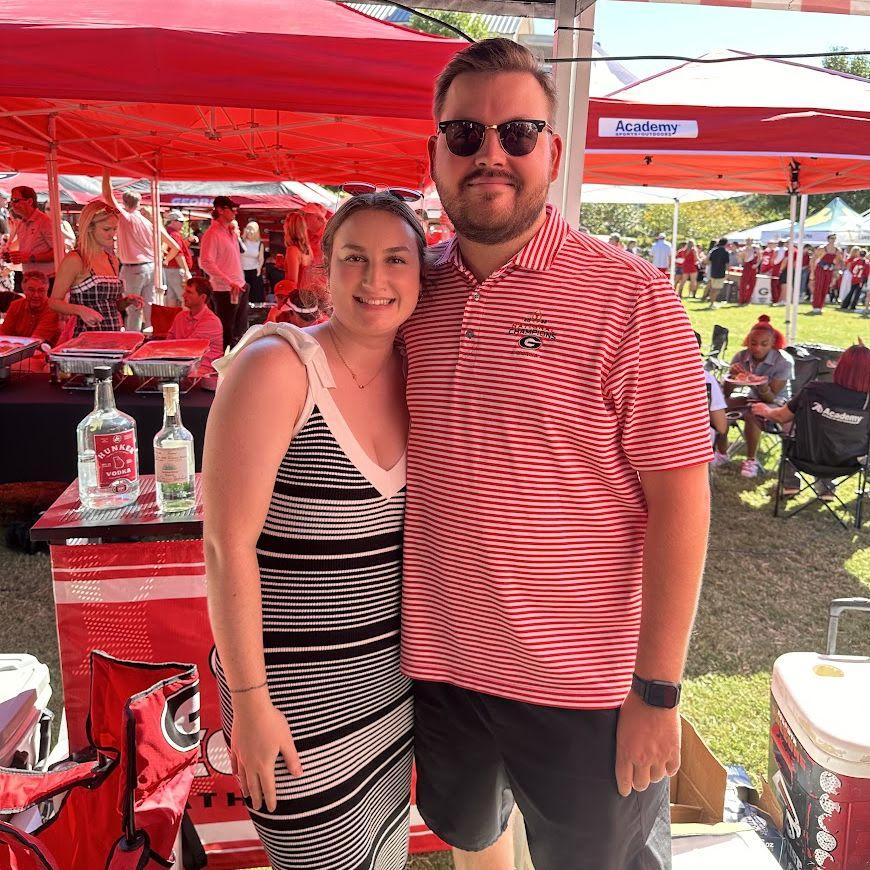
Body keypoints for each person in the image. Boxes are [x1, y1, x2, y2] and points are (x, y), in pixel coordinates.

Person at [402, 38, 712, 870]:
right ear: (434, 153)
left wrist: (657, 691)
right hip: (443, 665)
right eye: (464, 134)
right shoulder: (409, 293)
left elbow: (681, 500)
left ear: (553, 150)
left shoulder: (632, 297)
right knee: (473, 835)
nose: (490, 154)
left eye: (517, 133)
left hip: (585, 688)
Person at [203, 192, 424, 870]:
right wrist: (251, 703)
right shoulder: (279, 367)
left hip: (390, 697)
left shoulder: (419, 371)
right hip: (292, 707)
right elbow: (226, 546)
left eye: (396, 260)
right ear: (325, 270)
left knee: (383, 855)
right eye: (355, 258)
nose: (375, 278)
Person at [753, 342, 870, 501]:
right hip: (849, 464)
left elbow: (781, 417)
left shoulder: (814, 390)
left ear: (840, 366)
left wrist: (765, 410)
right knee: (834, 439)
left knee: (791, 432)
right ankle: (826, 488)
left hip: (805, 458)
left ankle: (790, 483)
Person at [712, 315, 794, 478]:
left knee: (753, 413)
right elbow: (726, 393)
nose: (757, 348)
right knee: (719, 408)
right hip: (750, 397)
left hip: (777, 402)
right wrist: (732, 378)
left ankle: (751, 460)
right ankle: (721, 453)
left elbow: (771, 398)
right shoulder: (741, 356)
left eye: (764, 344)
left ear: (773, 343)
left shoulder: (784, 361)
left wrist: (761, 385)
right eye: (753, 343)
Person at [49, 200, 142, 337]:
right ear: (89, 228)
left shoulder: (112, 259)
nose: (112, 234)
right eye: (106, 229)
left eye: (115, 229)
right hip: (86, 337)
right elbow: (53, 302)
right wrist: (80, 310)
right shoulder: (75, 259)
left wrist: (126, 301)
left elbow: (110, 305)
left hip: (112, 335)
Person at [199, 195, 248, 350]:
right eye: (232, 209)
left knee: (239, 331)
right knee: (226, 332)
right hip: (224, 290)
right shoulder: (212, 233)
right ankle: (222, 361)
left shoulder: (230, 232)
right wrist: (228, 281)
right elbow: (206, 262)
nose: (235, 212)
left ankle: (236, 360)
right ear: (220, 210)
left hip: (238, 286)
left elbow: (238, 255)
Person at [165, 276, 225, 371]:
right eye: (185, 291)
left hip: (205, 372)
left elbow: (189, 349)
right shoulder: (180, 317)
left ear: (203, 297)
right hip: (183, 368)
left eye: (189, 292)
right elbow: (167, 344)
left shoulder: (211, 321)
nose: (183, 295)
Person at [6, 187, 55, 284]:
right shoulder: (22, 223)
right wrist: (9, 256)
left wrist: (31, 258)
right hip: (29, 279)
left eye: (15, 200)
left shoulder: (44, 222)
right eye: (11, 200)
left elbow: (58, 252)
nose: (12, 204)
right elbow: (25, 251)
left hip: (47, 280)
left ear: (29, 201)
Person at [0, 270, 60, 346]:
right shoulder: (15, 305)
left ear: (47, 290)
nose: (36, 295)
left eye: (41, 290)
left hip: (45, 351)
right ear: (23, 290)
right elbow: (3, 334)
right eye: (31, 290)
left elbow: (35, 342)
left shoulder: (52, 309)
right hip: (19, 350)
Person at [163, 210, 193, 307]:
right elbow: (178, 254)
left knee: (171, 298)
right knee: (184, 297)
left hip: (168, 270)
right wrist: (186, 271)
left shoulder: (167, 232)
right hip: (176, 270)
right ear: (173, 221)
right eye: (181, 222)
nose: (182, 224)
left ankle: (173, 317)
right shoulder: (174, 234)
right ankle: (187, 316)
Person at [809, 234, 843, 315]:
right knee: (818, 287)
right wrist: (812, 272)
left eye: (834, 238)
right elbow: (813, 259)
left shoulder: (837, 250)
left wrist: (836, 271)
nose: (833, 240)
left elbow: (839, 261)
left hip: (829, 270)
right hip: (820, 269)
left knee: (825, 288)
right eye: (831, 238)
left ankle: (820, 306)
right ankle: (815, 306)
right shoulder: (822, 248)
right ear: (828, 239)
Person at [240, 221, 266, 303]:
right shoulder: (241, 242)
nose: (249, 231)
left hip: (254, 270)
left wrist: (259, 267)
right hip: (242, 271)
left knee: (255, 294)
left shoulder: (260, 244)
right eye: (247, 229)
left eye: (251, 229)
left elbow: (261, 258)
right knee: (243, 294)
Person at [706, 237, 730, 309]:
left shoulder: (714, 250)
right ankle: (712, 303)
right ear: (725, 243)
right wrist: (727, 272)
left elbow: (708, 261)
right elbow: (727, 264)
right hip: (721, 273)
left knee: (713, 288)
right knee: (716, 289)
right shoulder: (725, 252)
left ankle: (711, 302)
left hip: (713, 272)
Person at [737, 238, 759, 305]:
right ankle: (742, 300)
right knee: (743, 284)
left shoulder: (756, 249)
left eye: (750, 241)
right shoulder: (743, 249)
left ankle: (748, 300)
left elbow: (760, 257)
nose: (749, 242)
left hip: (753, 268)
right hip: (746, 267)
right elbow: (740, 259)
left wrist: (757, 265)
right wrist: (742, 258)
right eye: (748, 241)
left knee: (752, 284)